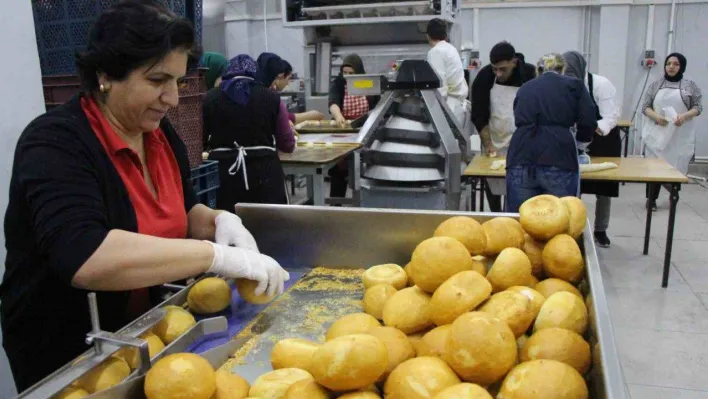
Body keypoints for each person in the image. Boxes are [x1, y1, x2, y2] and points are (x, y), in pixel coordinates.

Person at [0, 2, 288, 392]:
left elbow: (184, 210)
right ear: (105, 75)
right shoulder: (55, 143)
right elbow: (86, 256)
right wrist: (215, 256)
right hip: (69, 350)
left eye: (179, 82)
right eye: (157, 80)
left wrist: (220, 221)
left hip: (141, 334)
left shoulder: (159, 134)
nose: (172, 97)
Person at [505, 53, 597, 212]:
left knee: (519, 221)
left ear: (538, 70)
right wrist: (580, 144)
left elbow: (517, 119)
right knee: (559, 221)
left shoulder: (525, 88)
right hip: (559, 157)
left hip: (520, 157)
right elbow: (588, 121)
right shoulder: (574, 85)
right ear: (562, 69)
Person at [204, 54, 296, 207]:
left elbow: (199, 140)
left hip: (224, 176)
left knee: (229, 224)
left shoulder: (210, 97)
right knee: (267, 225)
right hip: (265, 175)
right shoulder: (271, 97)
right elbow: (287, 143)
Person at [563, 51, 621, 248]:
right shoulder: (564, 84)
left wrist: (592, 126)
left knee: (604, 187)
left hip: (604, 139)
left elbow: (611, 116)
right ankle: (573, 228)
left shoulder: (600, 84)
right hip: (577, 138)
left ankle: (601, 230)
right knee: (574, 184)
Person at [471, 41, 536, 211]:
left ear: (514, 62)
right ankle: (495, 214)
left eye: (503, 69)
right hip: (494, 138)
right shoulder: (485, 76)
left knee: (517, 187)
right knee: (493, 184)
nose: (498, 74)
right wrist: (489, 146)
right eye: (495, 69)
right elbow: (479, 115)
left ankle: (512, 216)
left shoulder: (530, 74)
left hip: (522, 142)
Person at [642, 53, 703, 210]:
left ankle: (673, 195)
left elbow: (698, 107)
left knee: (676, 167)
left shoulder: (690, 86)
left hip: (679, 135)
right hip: (658, 133)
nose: (671, 66)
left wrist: (684, 116)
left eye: (675, 64)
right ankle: (651, 199)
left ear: (681, 66)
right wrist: (656, 117)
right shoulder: (655, 85)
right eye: (668, 63)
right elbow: (645, 107)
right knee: (654, 168)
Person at [328, 54, 380, 199]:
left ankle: (365, 204)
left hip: (364, 131)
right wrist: (338, 116)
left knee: (364, 169)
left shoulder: (366, 83)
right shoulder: (338, 83)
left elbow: (377, 106)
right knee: (339, 169)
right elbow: (333, 102)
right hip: (343, 130)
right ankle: (336, 205)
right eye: (345, 73)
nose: (347, 76)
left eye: (351, 73)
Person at [425, 18, 469, 126]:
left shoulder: (435, 52)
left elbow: (440, 87)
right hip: (457, 106)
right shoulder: (451, 48)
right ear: (445, 36)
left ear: (427, 36)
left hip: (449, 108)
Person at [271, 59, 325, 125]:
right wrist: (309, 115)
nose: (288, 83)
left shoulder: (272, 92)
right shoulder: (270, 95)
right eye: (288, 78)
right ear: (281, 76)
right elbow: (281, 118)